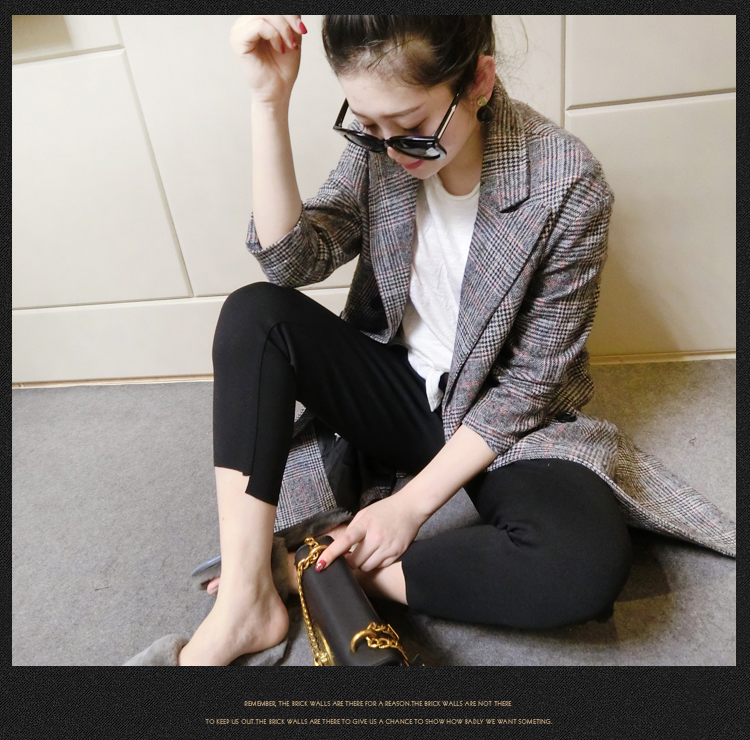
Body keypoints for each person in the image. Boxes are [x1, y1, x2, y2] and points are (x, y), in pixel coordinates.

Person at [167, 15, 734, 666]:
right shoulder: (380, 150)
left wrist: (408, 508)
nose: (390, 149)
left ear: (479, 81)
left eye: (409, 126)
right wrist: (268, 101)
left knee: (581, 564)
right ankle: (246, 599)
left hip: (503, 419)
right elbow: (291, 262)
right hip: (399, 387)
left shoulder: (567, 183)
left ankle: (311, 571)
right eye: (368, 126)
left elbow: (531, 387)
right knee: (254, 315)